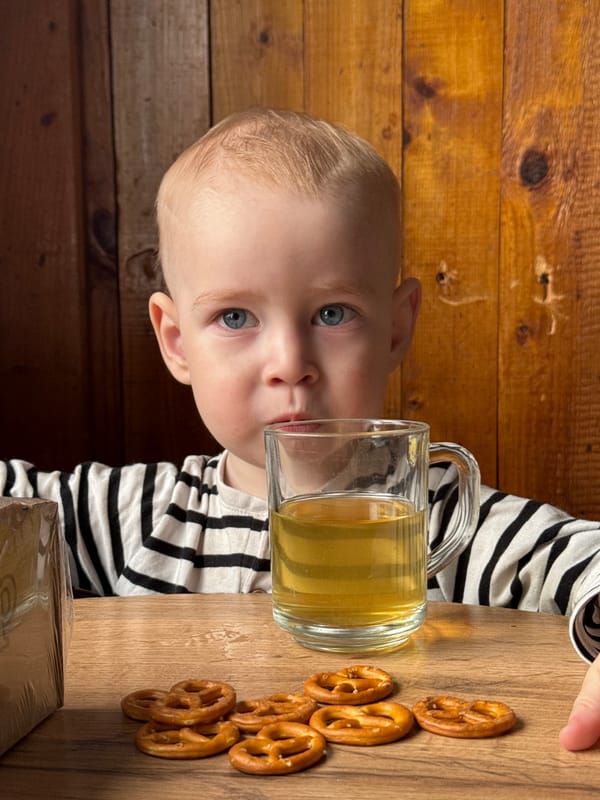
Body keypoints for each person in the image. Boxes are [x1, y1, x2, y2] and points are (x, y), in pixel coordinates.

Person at [2, 107, 599, 749]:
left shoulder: (446, 520)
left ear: (395, 328)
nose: (290, 365)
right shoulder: (133, 515)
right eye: (235, 318)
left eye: (332, 312)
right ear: (175, 343)